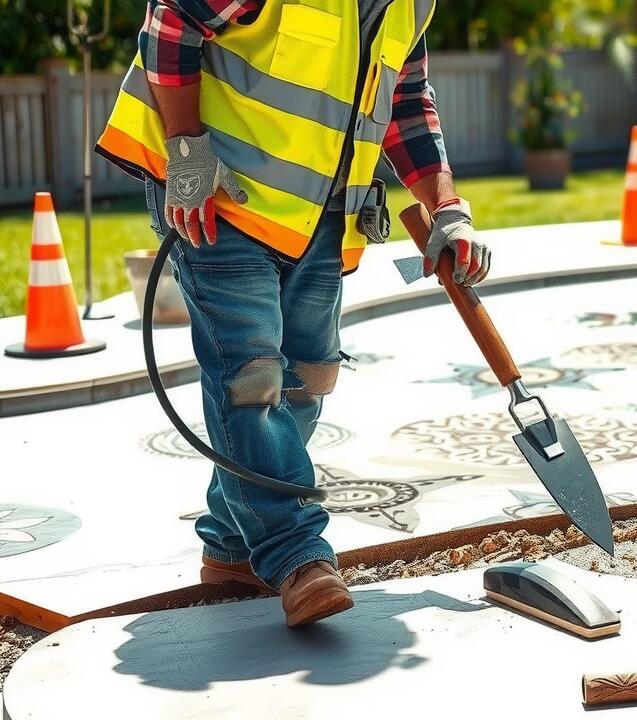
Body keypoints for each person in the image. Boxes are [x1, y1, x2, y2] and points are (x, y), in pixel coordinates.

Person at [97, 0, 489, 627]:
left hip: (321, 214)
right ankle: (295, 552)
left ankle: (231, 547)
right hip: (217, 194)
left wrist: (445, 205)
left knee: (311, 374)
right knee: (252, 379)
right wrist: (186, 150)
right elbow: (170, 21)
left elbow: (407, 99)